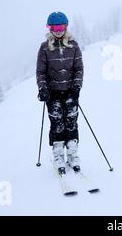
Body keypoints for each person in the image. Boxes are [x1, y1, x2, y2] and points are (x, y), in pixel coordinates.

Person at [36, 12, 84, 175]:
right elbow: (41, 72)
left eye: (61, 27)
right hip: (53, 94)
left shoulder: (74, 45)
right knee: (57, 125)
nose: (58, 30)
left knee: (71, 122)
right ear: (49, 28)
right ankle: (58, 157)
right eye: (54, 27)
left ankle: (72, 155)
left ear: (66, 27)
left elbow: (78, 69)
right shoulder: (44, 48)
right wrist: (42, 88)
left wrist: (77, 86)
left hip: (70, 92)